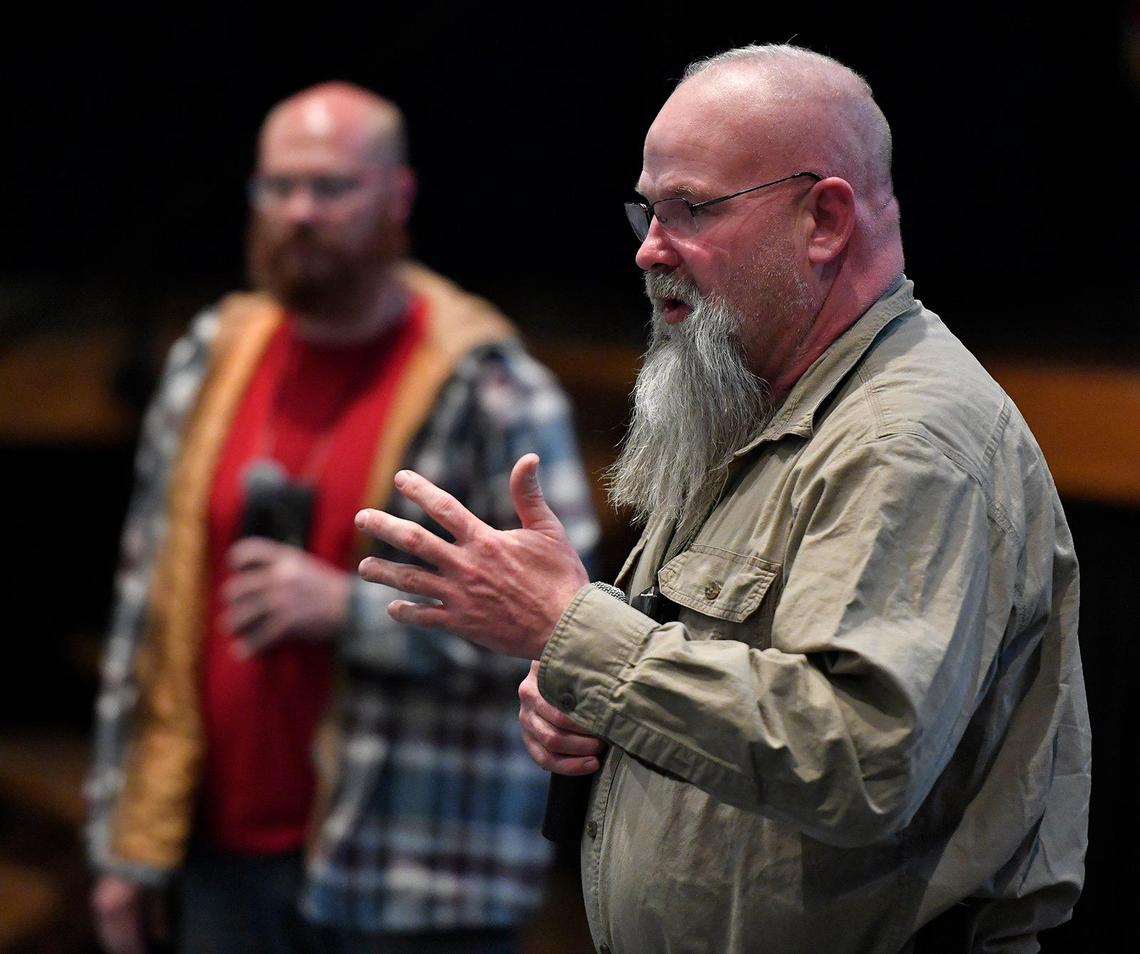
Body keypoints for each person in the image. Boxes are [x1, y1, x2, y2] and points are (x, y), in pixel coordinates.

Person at [353, 45, 1091, 953]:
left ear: (824, 220)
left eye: (689, 210)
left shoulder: (907, 441)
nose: (648, 247)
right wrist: (581, 689)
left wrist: (574, 630)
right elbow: (710, 676)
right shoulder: (750, 394)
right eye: (647, 208)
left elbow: (856, 757)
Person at [85, 81, 599, 954]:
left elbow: (573, 638)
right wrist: (124, 837)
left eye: (329, 188)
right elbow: (145, 609)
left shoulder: (488, 387)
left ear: (397, 196)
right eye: (277, 187)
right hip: (218, 854)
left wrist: (346, 611)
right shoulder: (213, 356)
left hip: (415, 878)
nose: (299, 212)